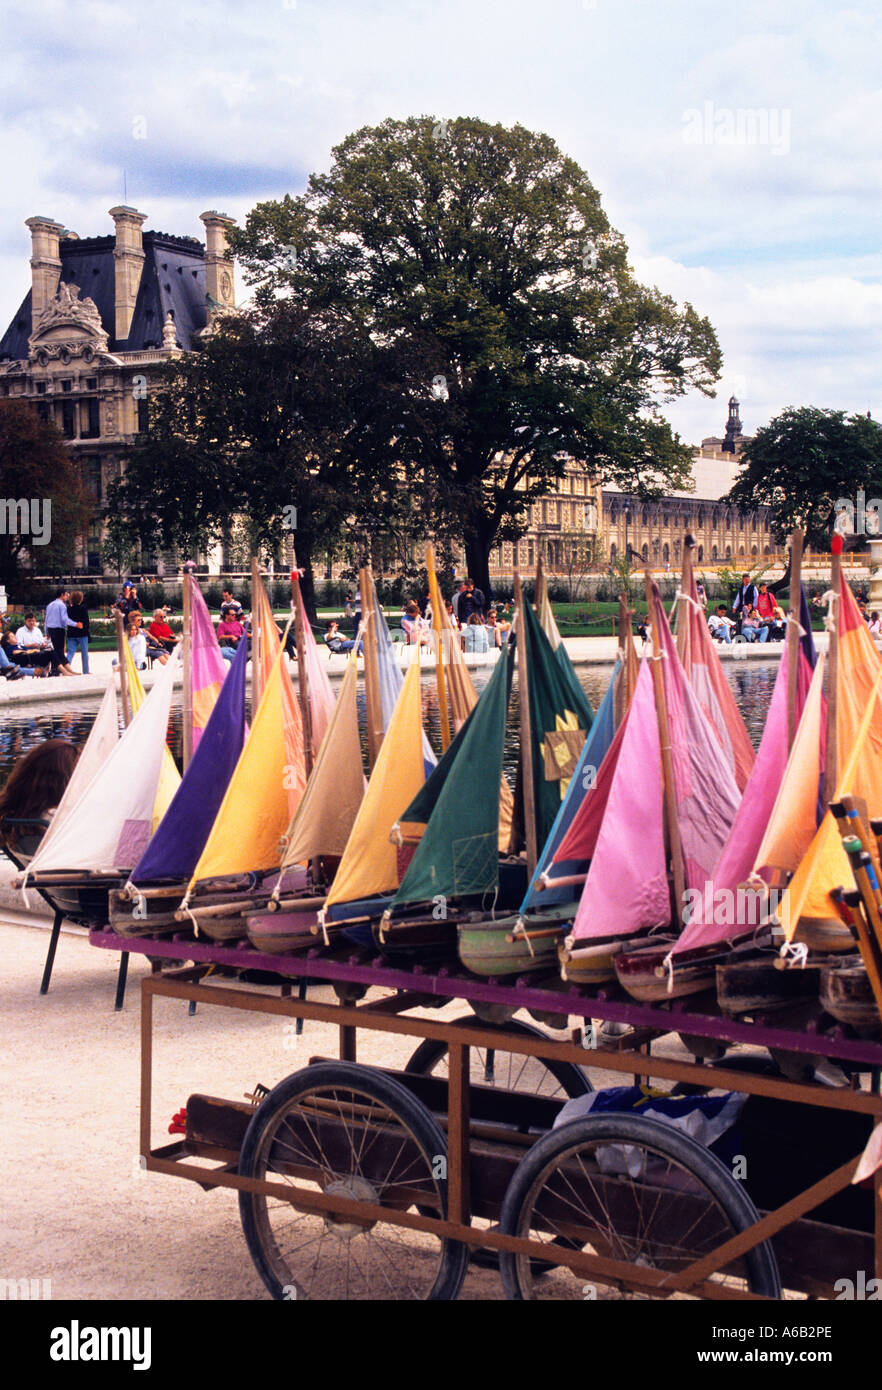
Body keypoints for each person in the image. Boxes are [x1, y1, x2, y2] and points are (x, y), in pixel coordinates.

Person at [0, 739, 79, 858]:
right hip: (72, 869)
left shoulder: (17, 812)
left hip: (37, 867)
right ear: (65, 779)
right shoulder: (60, 817)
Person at [45, 588, 83, 667]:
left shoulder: (50, 605)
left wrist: (47, 632)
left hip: (51, 630)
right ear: (62, 595)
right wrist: (76, 624)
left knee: (56, 650)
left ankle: (55, 669)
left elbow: (46, 620)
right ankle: (65, 668)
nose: (67, 597)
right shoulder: (62, 605)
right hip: (59, 630)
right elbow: (65, 619)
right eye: (66, 595)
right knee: (60, 651)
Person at [66, 590, 91, 673]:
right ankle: (86, 671)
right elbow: (86, 622)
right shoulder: (83, 608)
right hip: (82, 633)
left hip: (71, 633)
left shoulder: (68, 609)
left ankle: (66, 668)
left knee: (70, 653)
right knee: (85, 654)